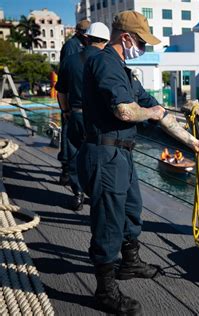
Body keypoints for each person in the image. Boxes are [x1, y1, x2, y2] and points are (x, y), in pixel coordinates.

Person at [77, 11, 199, 315]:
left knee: (131, 210)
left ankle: (130, 262)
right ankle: (105, 290)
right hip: (105, 155)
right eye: (141, 42)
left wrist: (192, 142)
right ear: (126, 38)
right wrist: (151, 114)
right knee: (108, 221)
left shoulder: (122, 70)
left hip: (122, 154)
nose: (144, 49)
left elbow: (158, 110)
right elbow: (125, 111)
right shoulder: (104, 63)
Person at [55, 22, 110, 211]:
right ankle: (97, 195)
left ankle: (77, 194)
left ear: (86, 38)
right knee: (99, 157)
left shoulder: (70, 61)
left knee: (75, 155)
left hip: (76, 115)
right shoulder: (107, 60)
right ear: (106, 41)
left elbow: (61, 92)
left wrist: (65, 111)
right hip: (99, 119)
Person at [57, 19, 91, 186]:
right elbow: (68, 73)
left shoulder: (81, 46)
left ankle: (72, 171)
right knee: (69, 137)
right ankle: (67, 170)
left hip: (76, 99)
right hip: (72, 100)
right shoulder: (72, 46)